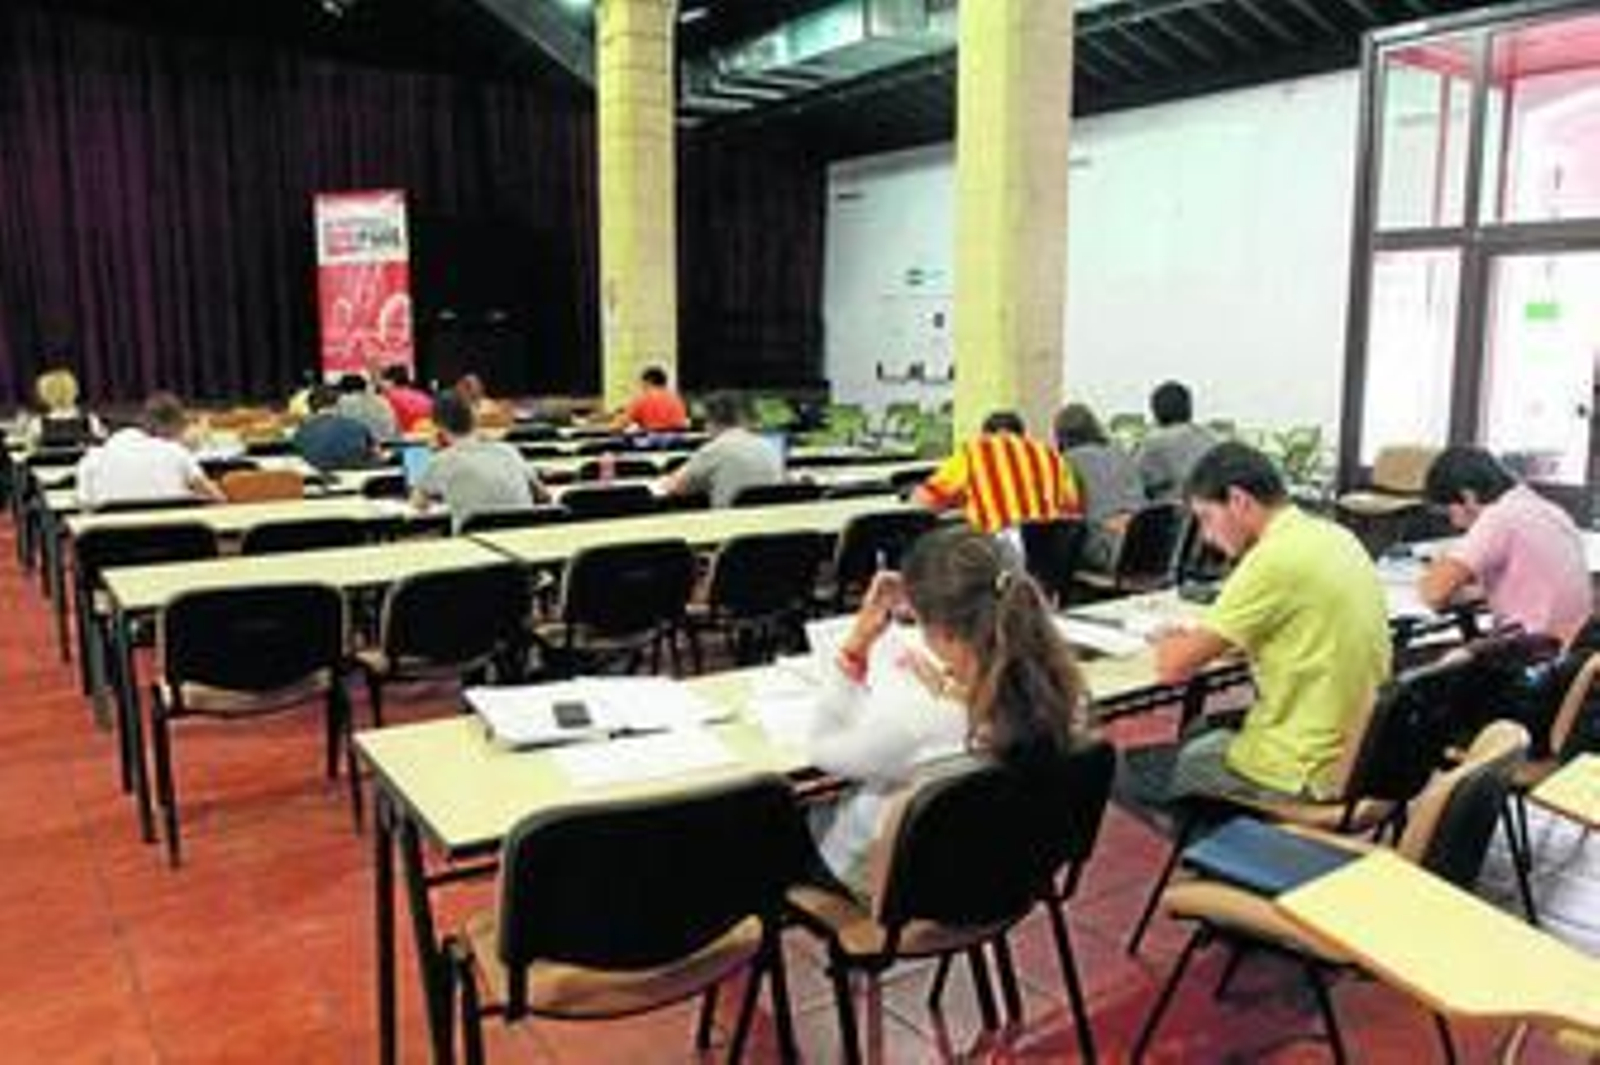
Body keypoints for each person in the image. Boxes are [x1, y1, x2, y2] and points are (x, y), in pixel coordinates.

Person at [805, 526, 1091, 898]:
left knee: (780, 817)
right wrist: (952, 689)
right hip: (1008, 875)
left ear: (940, 632)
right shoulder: (1065, 694)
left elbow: (822, 749)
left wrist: (856, 646)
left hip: (903, 886)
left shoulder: (915, 725)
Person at [1150, 442, 1390, 801]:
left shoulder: (1272, 559)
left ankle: (1214, 838)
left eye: (1206, 518)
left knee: (1187, 762)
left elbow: (1172, 667)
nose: (1206, 536)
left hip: (1308, 767)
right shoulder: (1336, 536)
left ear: (1238, 500)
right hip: (1366, 755)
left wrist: (1168, 640)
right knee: (1204, 729)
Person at [1418, 446, 1591, 649]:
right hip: (1575, 652)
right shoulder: (1547, 509)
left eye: (1449, 512)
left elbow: (1433, 593)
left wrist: (1440, 567)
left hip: (1533, 655)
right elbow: (1534, 584)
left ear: (1468, 496)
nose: (1453, 523)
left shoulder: (1499, 517)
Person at [913, 410, 1081, 535]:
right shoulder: (1052, 456)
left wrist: (959, 502)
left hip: (995, 551)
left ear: (985, 435)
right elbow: (1071, 508)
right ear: (1022, 435)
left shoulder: (973, 452)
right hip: (1045, 554)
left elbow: (927, 498)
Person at [412, 389, 548, 531]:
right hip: (523, 538)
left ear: (438, 426)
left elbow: (418, 506)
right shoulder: (509, 451)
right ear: (475, 420)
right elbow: (543, 496)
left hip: (472, 542)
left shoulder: (439, 461)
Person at [76, 392, 224, 509]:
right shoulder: (176, 452)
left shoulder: (103, 450)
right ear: (174, 428)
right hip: (172, 536)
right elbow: (218, 498)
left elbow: (84, 502)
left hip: (112, 536)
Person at [1055, 402, 1145, 571]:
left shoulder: (1067, 462)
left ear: (1061, 436)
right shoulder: (1120, 453)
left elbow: (1063, 514)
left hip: (1107, 551)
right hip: (1145, 545)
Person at [654, 392, 783, 508]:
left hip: (727, 523)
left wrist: (666, 480)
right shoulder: (769, 447)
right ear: (741, 418)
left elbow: (674, 487)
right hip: (770, 523)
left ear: (710, 421)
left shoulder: (713, 450)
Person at [1137, 380, 1219, 503]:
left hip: (1171, 509)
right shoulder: (1211, 438)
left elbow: (1134, 484)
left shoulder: (1153, 443)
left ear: (1156, 411)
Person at [292, 384, 378, 471]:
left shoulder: (301, 433)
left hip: (316, 475)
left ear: (311, 407)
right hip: (354, 474)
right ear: (338, 403)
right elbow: (373, 452)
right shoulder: (357, 427)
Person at [22, 368, 103, 447]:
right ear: (75, 390)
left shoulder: (37, 423)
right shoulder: (90, 420)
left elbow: (27, 448)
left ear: (44, 395)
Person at [613, 365, 689, 433]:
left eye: (642, 384)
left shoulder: (643, 399)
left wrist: (610, 426)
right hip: (677, 442)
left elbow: (619, 425)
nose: (641, 387)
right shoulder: (676, 399)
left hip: (651, 441)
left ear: (647, 382)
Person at [334, 373, 397, 441]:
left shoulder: (346, 400)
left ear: (344, 389)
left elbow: (340, 424)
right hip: (387, 439)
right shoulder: (380, 399)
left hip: (363, 442)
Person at [378, 364, 434, 434]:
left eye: (383, 379)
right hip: (427, 435)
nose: (380, 384)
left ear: (390, 381)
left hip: (401, 436)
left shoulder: (387, 397)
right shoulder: (424, 397)